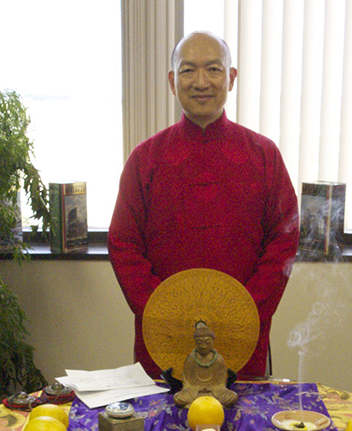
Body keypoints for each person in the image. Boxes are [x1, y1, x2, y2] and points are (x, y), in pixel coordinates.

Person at [108, 31, 299, 381]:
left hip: (242, 335)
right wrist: (166, 315)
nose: (201, 82)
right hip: (164, 335)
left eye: (213, 69)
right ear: (171, 80)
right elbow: (124, 245)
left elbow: (283, 242)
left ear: (231, 77)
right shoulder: (145, 159)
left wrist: (242, 314)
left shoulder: (263, 155)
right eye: (187, 71)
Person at [174, 321, 238, 408]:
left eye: (207, 342)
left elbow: (221, 382)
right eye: (200, 343)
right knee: (178, 398)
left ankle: (196, 405)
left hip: (215, 391)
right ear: (195, 343)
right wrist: (195, 388)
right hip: (194, 391)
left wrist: (212, 388)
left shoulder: (218, 359)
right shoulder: (191, 358)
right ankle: (214, 405)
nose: (203, 346)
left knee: (232, 397)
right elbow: (187, 382)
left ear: (212, 342)